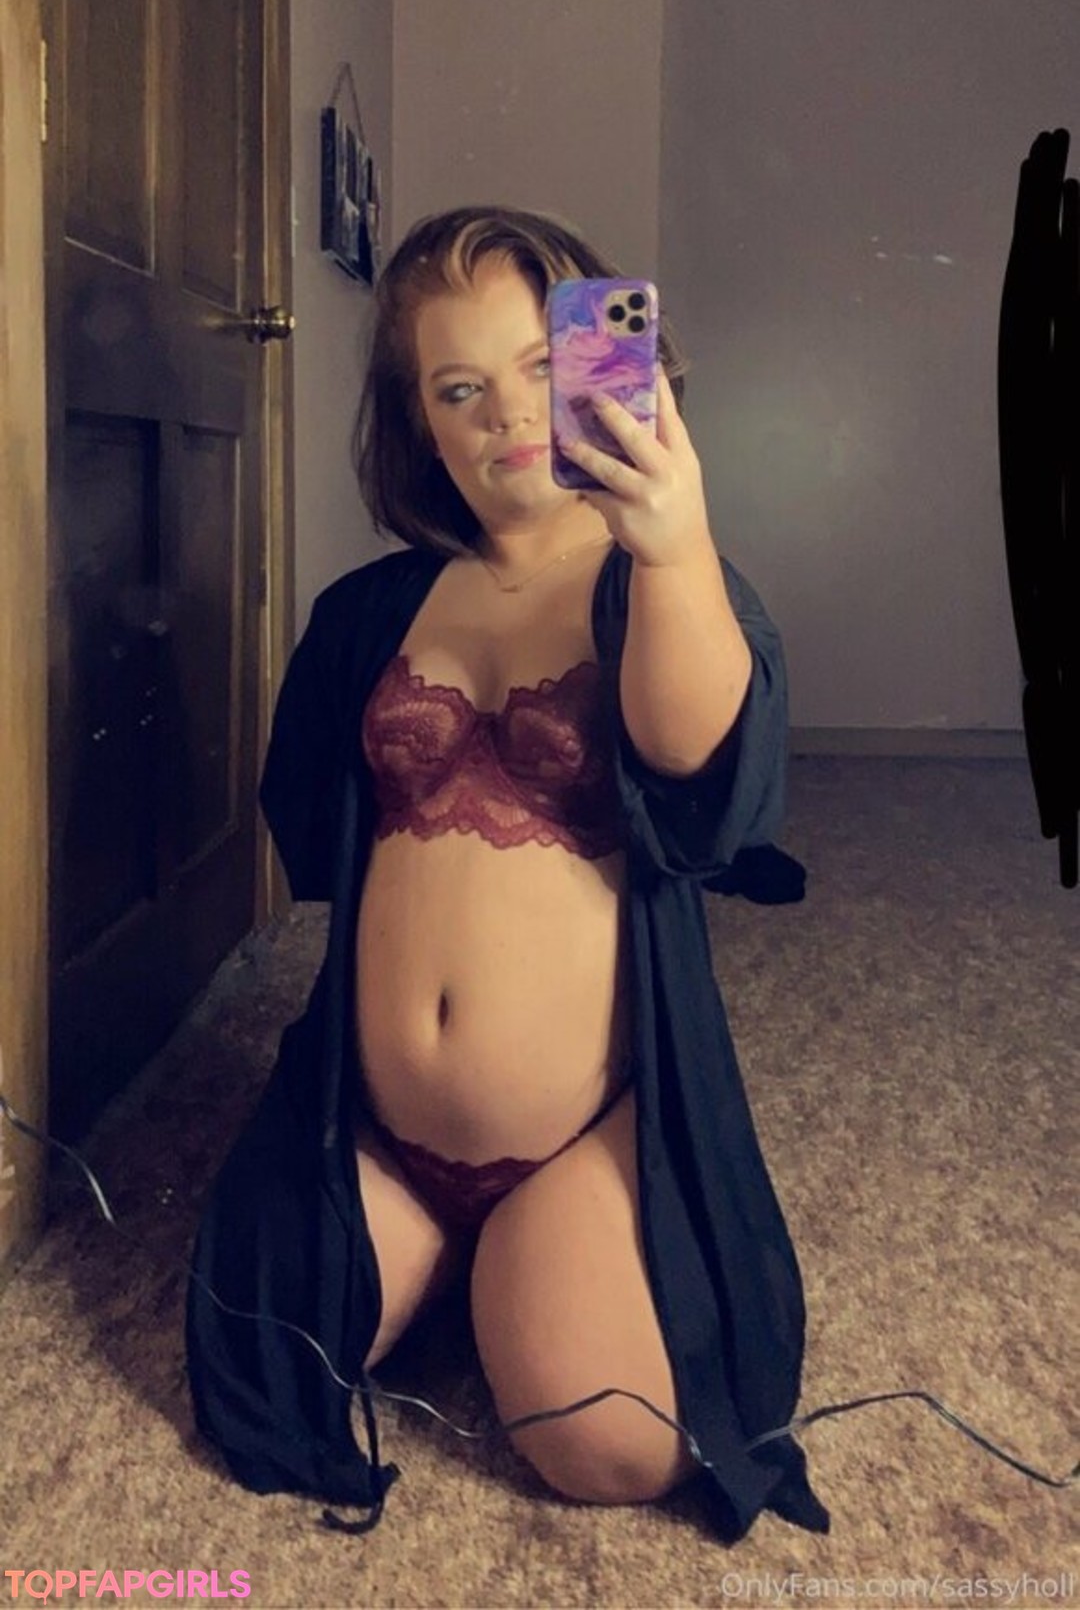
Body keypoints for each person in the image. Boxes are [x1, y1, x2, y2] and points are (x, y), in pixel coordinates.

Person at [185, 206, 830, 1543]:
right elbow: (313, 822)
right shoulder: (370, 612)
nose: (509, 414)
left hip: (577, 1123)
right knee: (260, 1364)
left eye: (544, 365)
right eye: (459, 388)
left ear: (611, 359)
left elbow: (703, 775)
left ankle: (525, 1253)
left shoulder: (654, 580)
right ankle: (452, 1259)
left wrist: (675, 541)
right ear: (418, 423)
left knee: (615, 1442)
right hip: (378, 1119)